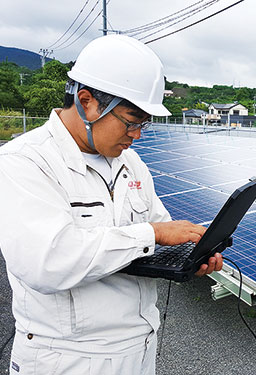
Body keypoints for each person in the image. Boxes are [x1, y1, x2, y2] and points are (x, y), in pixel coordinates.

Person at [0, 34, 222, 375]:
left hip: (140, 345)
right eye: (131, 121)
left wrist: (193, 254)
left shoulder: (131, 164)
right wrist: (153, 234)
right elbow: (48, 262)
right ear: (86, 101)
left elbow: (159, 229)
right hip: (67, 357)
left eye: (144, 124)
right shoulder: (24, 161)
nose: (137, 135)